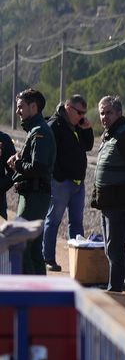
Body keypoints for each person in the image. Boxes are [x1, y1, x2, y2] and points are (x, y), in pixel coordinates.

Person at [88, 95, 125, 293]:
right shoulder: (110, 134)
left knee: (115, 249)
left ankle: (115, 291)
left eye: (109, 112)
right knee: (112, 249)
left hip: (120, 203)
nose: (104, 117)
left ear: (119, 113)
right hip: (108, 203)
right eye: (102, 113)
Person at [41, 93, 94, 271]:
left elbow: (87, 146)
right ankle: (48, 258)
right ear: (68, 108)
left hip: (78, 183)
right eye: (79, 112)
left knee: (77, 224)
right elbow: (49, 155)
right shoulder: (54, 125)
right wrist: (59, 176)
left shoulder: (77, 125)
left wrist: (87, 129)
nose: (82, 116)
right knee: (53, 220)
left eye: (84, 113)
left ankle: (77, 263)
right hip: (61, 183)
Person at [10, 90, 55, 275]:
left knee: (21, 245)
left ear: (33, 107)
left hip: (33, 196)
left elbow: (39, 167)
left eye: (21, 107)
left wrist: (17, 164)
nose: (18, 111)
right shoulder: (36, 131)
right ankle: (40, 295)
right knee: (33, 247)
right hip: (32, 195)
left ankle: (29, 292)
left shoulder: (39, 133)